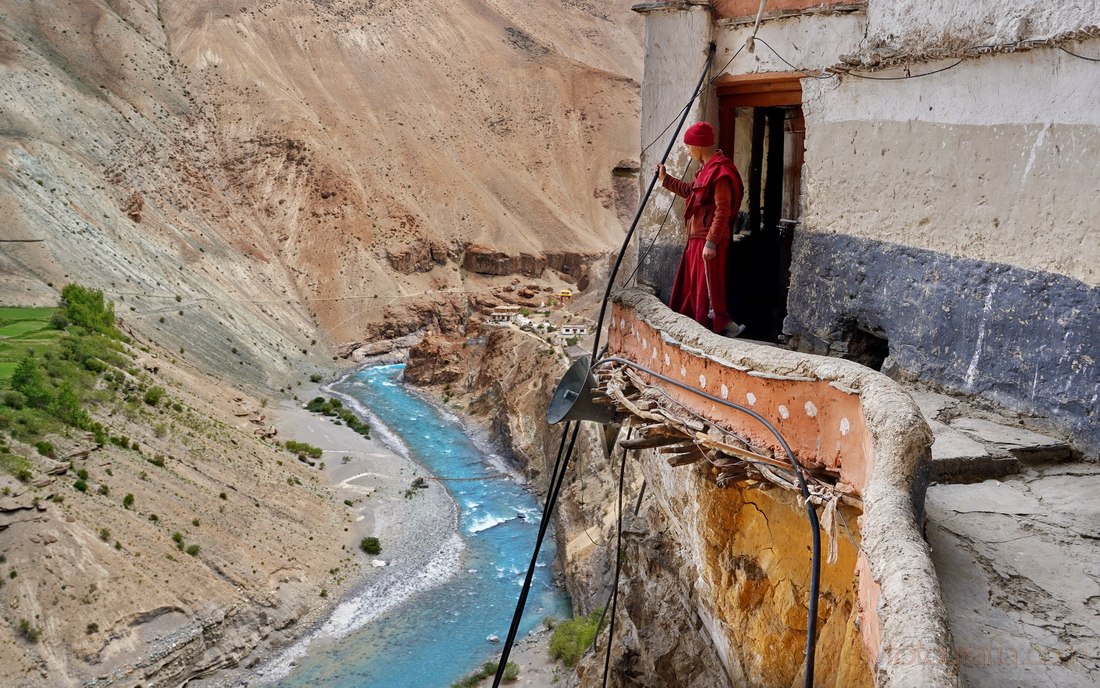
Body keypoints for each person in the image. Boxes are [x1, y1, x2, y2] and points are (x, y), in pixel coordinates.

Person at [656, 121, 745, 337]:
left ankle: (720, 326)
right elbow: (691, 191)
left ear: (699, 145)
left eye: (689, 146)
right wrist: (665, 179)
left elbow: (722, 210)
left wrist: (711, 242)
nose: (688, 151)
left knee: (708, 286)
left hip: (708, 239)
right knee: (693, 287)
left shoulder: (721, 172)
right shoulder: (705, 170)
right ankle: (699, 328)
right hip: (698, 237)